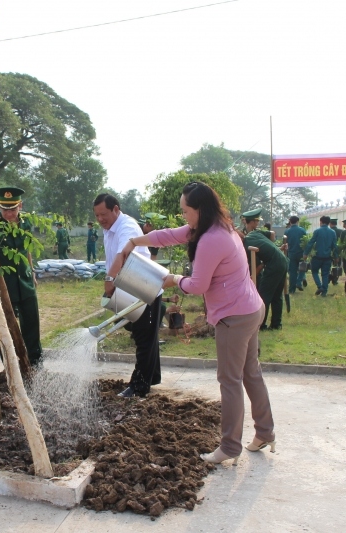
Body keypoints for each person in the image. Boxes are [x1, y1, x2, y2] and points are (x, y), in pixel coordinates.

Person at [121, 182, 274, 464]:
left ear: (199, 210)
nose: (183, 217)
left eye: (185, 211)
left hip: (234, 317)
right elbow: (168, 236)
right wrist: (135, 242)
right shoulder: (216, 227)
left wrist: (173, 280)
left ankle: (229, 447)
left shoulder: (211, 239)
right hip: (251, 308)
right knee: (251, 372)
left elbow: (198, 285)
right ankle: (265, 431)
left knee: (230, 380)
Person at [93, 193, 161, 397]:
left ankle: (139, 387)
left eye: (103, 214)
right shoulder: (109, 228)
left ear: (116, 209)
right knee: (145, 335)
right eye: (96, 215)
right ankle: (153, 375)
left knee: (144, 339)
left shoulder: (127, 226)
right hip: (130, 289)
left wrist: (109, 281)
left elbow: (124, 254)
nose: (100, 219)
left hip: (144, 289)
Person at [0, 187, 43, 366]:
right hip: (5, 284)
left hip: (25, 281)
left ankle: (36, 362)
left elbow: (27, 250)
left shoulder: (26, 224)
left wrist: (32, 272)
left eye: (12, 209)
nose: (8, 213)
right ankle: (11, 364)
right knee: (7, 326)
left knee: (31, 323)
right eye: (5, 209)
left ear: (20, 206)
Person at [243, 209, 287, 331]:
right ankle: (276, 324)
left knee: (264, 295)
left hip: (274, 263)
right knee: (277, 296)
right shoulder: (255, 234)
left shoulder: (247, 242)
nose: (257, 224)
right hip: (281, 260)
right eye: (255, 221)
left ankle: (261, 324)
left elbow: (254, 264)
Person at [302, 215, 337, 297]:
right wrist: (336, 256)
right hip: (327, 257)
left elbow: (311, 243)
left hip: (317, 256)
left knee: (314, 272)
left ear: (321, 222)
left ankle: (319, 286)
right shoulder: (332, 232)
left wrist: (305, 253)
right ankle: (324, 292)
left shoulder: (317, 231)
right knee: (325, 274)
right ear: (329, 223)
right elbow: (334, 245)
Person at [284, 216, 307, 292]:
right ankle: (298, 282)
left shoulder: (287, 231)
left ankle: (292, 289)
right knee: (302, 269)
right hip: (301, 253)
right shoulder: (302, 230)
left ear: (290, 222)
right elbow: (305, 242)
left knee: (292, 272)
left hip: (291, 253)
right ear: (298, 221)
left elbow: (285, 243)